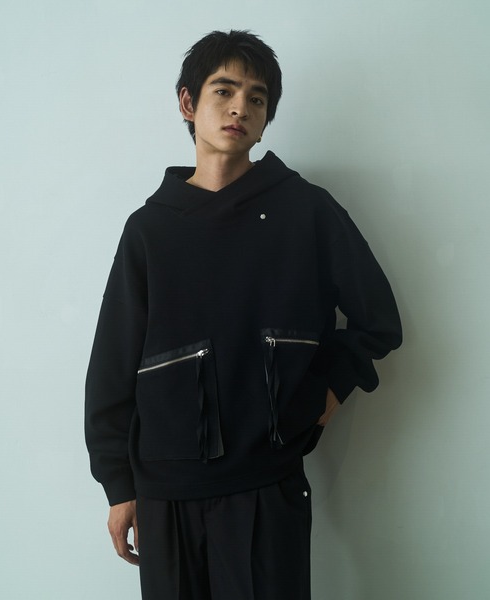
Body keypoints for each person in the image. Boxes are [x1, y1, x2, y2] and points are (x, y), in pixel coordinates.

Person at [85, 29, 402, 600]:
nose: (240, 108)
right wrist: (118, 484)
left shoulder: (305, 210)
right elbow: (113, 364)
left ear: (266, 117)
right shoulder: (150, 229)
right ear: (188, 103)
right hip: (164, 493)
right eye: (224, 90)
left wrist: (323, 397)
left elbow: (377, 320)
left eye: (257, 98)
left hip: (267, 484)